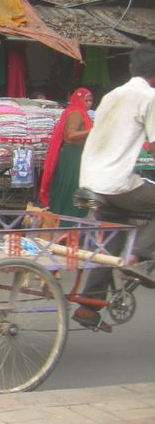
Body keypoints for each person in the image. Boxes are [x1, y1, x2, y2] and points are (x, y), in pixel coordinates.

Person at [72, 44, 155, 331]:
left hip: (91, 180)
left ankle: (88, 307)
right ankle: (138, 258)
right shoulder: (149, 97)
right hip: (117, 183)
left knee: (112, 237)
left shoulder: (112, 95)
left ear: (133, 68)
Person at [38, 87, 92, 216]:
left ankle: (72, 218)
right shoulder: (76, 112)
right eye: (86, 100)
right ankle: (68, 220)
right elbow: (70, 135)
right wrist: (92, 131)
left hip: (77, 154)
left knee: (76, 187)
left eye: (91, 100)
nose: (89, 103)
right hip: (73, 155)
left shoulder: (82, 113)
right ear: (79, 100)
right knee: (72, 187)